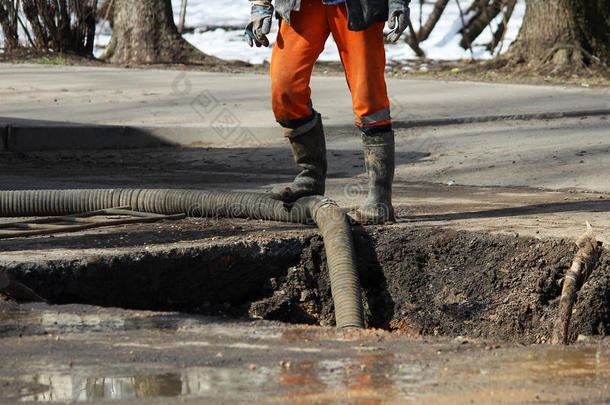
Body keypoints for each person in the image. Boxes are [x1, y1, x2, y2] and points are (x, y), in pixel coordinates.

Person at [245, 0, 410, 224]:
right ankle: (310, 178)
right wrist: (259, 4)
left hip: (357, 6)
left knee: (368, 94)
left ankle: (380, 199)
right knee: (285, 88)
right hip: (303, 6)